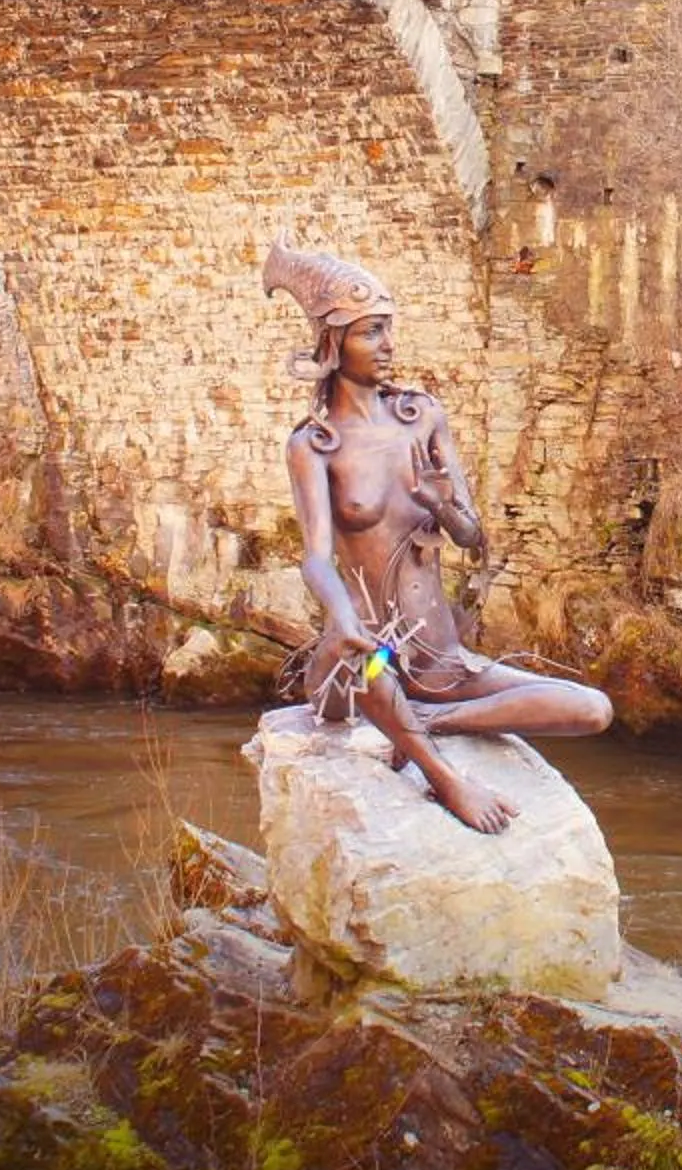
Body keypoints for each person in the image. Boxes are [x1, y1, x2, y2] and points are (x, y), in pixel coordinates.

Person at [262, 243, 612, 833]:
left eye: (389, 330)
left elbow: (472, 537)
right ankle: (445, 777)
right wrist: (341, 618)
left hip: (439, 658)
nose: (388, 345)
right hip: (363, 651)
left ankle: (423, 721)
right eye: (371, 332)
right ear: (332, 343)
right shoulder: (313, 444)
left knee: (591, 709)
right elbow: (316, 558)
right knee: (364, 663)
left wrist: (443, 504)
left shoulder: (420, 416)